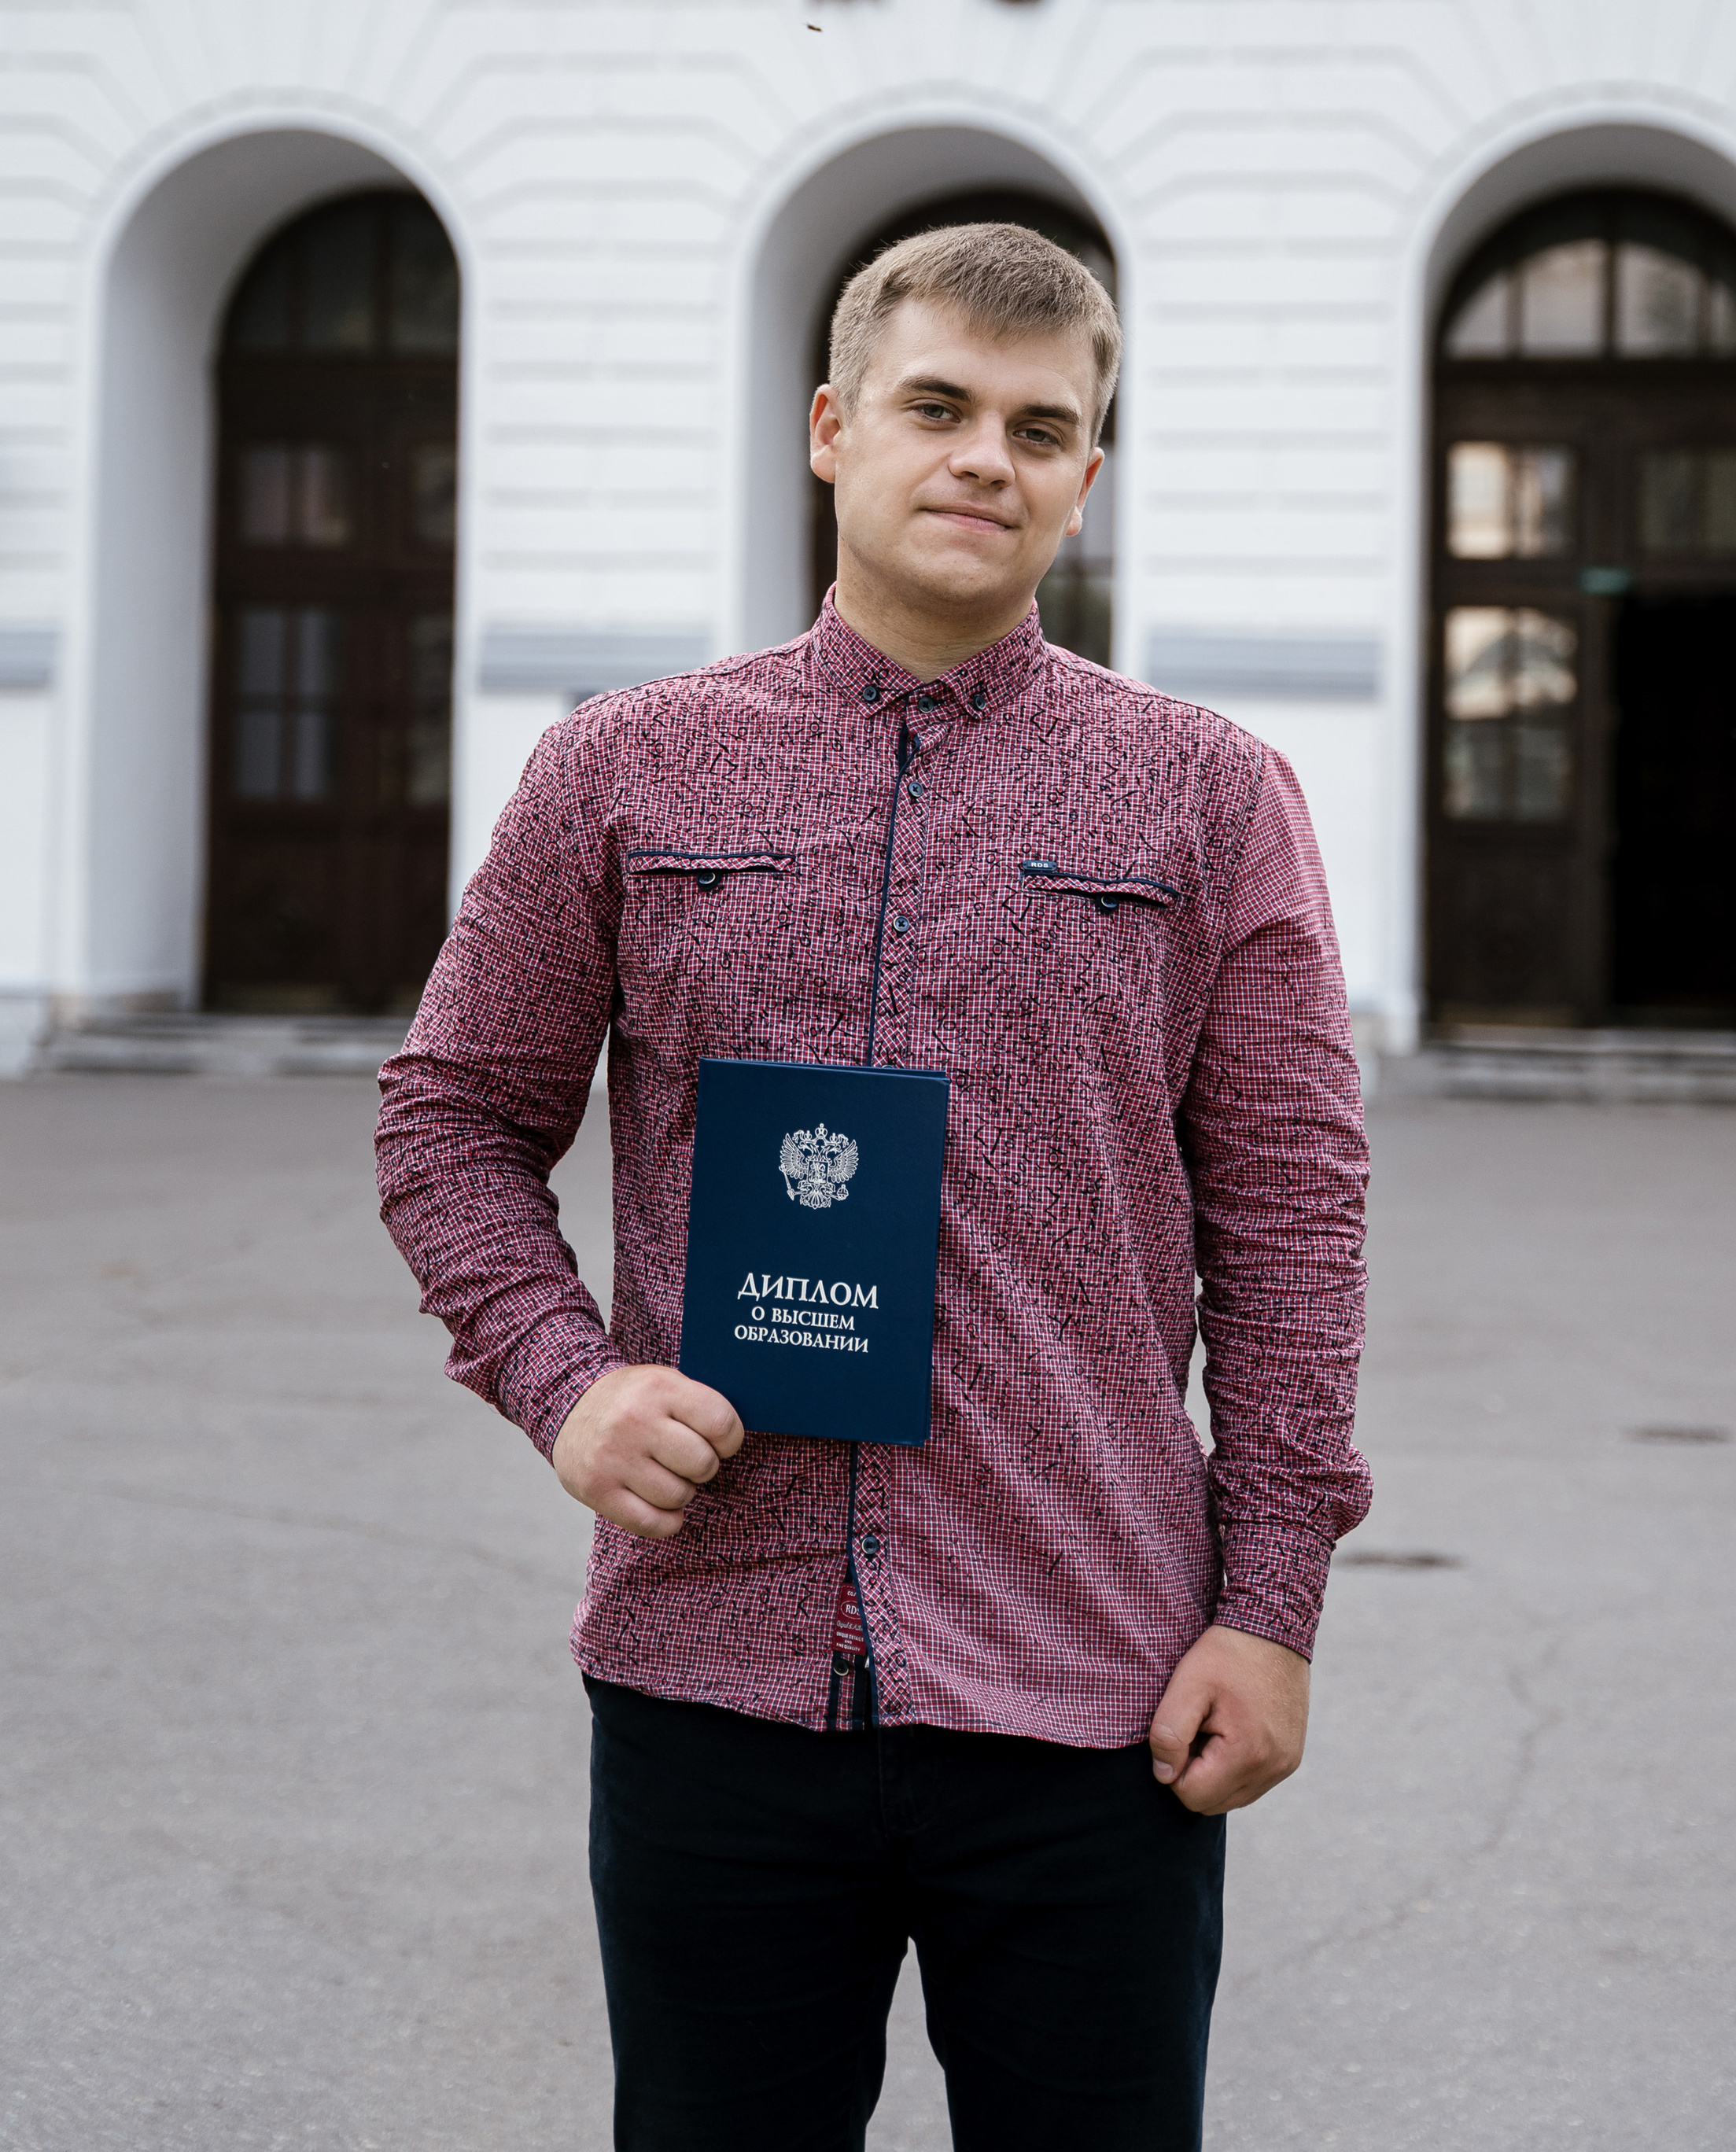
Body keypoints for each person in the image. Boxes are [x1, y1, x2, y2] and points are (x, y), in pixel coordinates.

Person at [375, 222, 1369, 2152]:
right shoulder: (620, 769)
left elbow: (1292, 1224)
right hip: (712, 1676)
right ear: (832, 427)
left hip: (1096, 1690)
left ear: (1087, 474)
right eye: (935, 406)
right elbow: (449, 1117)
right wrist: (563, 1385)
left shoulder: (1206, 797)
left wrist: (1274, 1607)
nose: (982, 455)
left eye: (1038, 424)